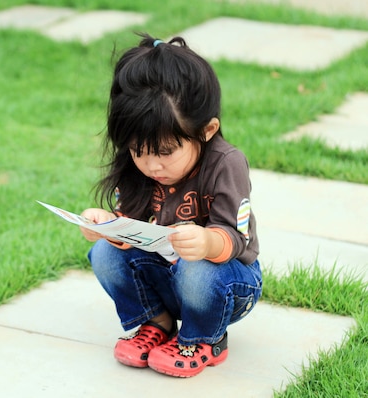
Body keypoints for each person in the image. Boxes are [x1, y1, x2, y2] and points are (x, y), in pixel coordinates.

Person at [79, 33, 262, 378]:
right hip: (169, 274)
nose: (152, 166)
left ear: (206, 131)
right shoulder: (139, 168)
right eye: (138, 152)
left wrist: (207, 241)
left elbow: (237, 241)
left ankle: (202, 338)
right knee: (103, 253)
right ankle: (157, 324)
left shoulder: (227, 163)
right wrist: (107, 225)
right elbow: (131, 226)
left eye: (165, 152)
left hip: (226, 283)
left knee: (196, 267)